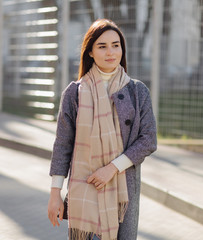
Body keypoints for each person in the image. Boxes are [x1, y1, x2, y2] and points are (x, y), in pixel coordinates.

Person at [47, 19, 157, 240]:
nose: (111, 52)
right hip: (85, 186)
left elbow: (148, 140)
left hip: (122, 189)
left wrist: (112, 168)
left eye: (116, 45)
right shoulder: (75, 93)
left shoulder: (137, 91)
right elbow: (63, 144)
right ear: (90, 52)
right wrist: (55, 193)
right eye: (102, 46)